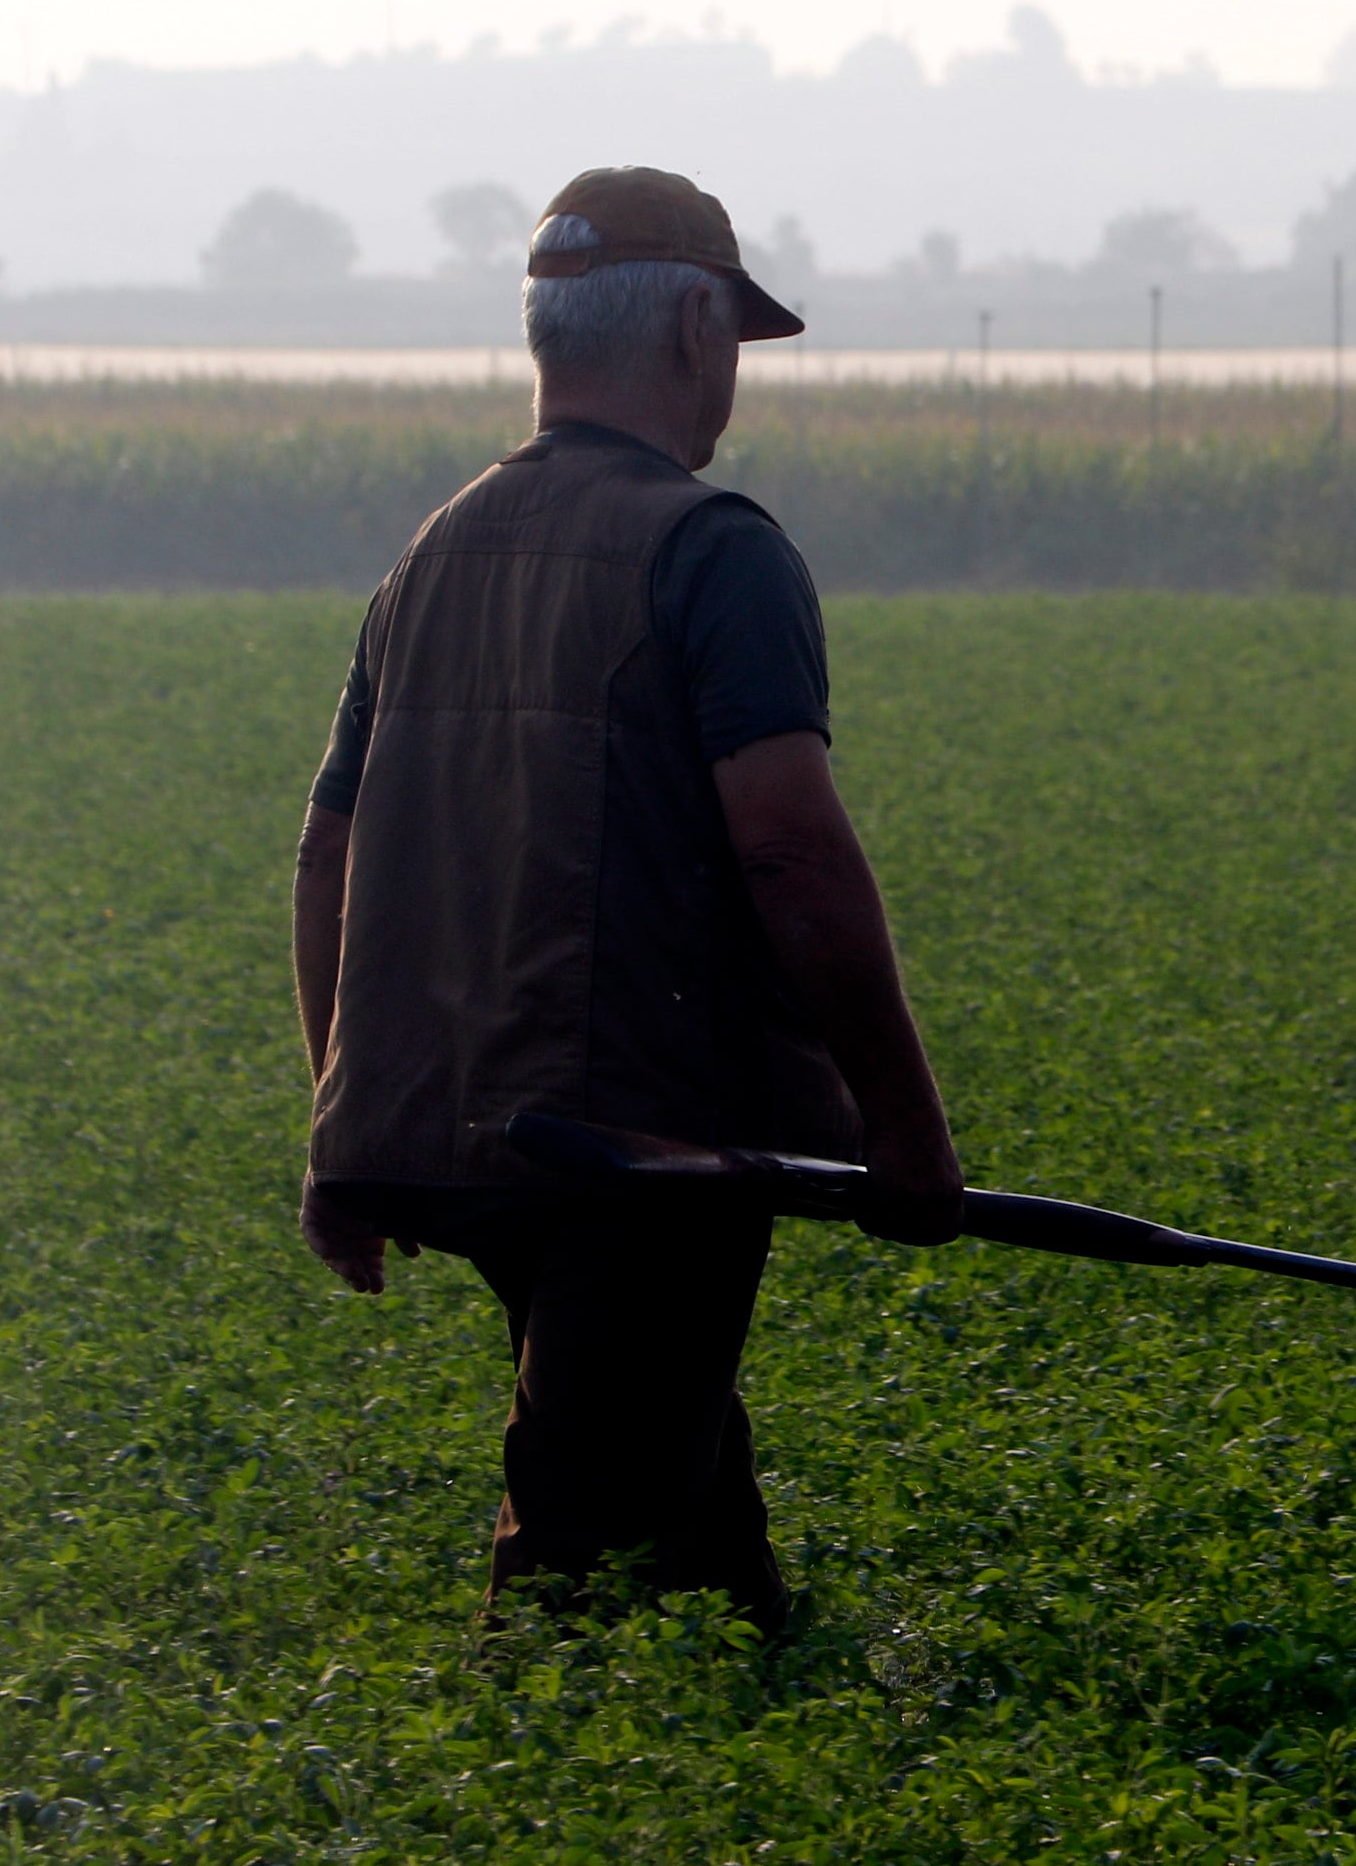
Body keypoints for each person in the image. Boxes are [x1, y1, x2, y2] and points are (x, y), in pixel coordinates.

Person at [290, 167, 961, 1635]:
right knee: (585, 1554)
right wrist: (903, 1126)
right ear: (692, 334)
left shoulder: (429, 554)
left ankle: (767, 1682)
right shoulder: (710, 551)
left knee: (681, 1502)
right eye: (732, 336)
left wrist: (346, 1123)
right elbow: (789, 849)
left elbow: (328, 848)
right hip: (643, 1149)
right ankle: (509, 1833)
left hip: (464, 1133)